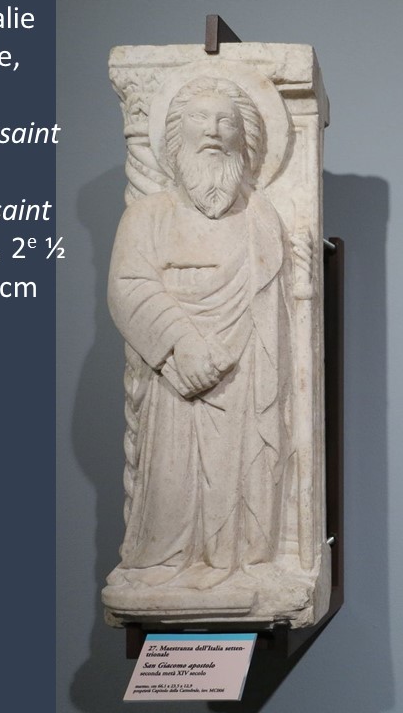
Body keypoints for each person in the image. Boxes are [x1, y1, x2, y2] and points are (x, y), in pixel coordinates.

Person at [104, 76, 293, 598]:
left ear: (245, 139)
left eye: (225, 120)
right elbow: (128, 286)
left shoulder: (260, 217)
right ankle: (164, 562)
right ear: (175, 135)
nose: (212, 130)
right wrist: (180, 345)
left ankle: (244, 558)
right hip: (175, 373)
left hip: (244, 370)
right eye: (199, 118)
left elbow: (276, 305)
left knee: (246, 463)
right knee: (173, 471)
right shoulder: (148, 215)